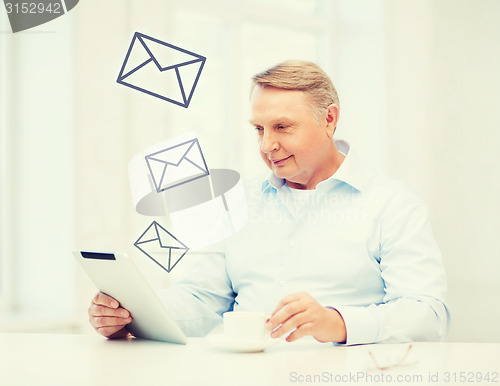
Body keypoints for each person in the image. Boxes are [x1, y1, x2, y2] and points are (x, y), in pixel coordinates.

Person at [89, 60, 450, 345]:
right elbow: (202, 300)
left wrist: (337, 322)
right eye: (259, 129)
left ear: (329, 119)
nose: (266, 146)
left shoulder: (392, 204)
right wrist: (132, 313)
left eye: (282, 127)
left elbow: (428, 314)